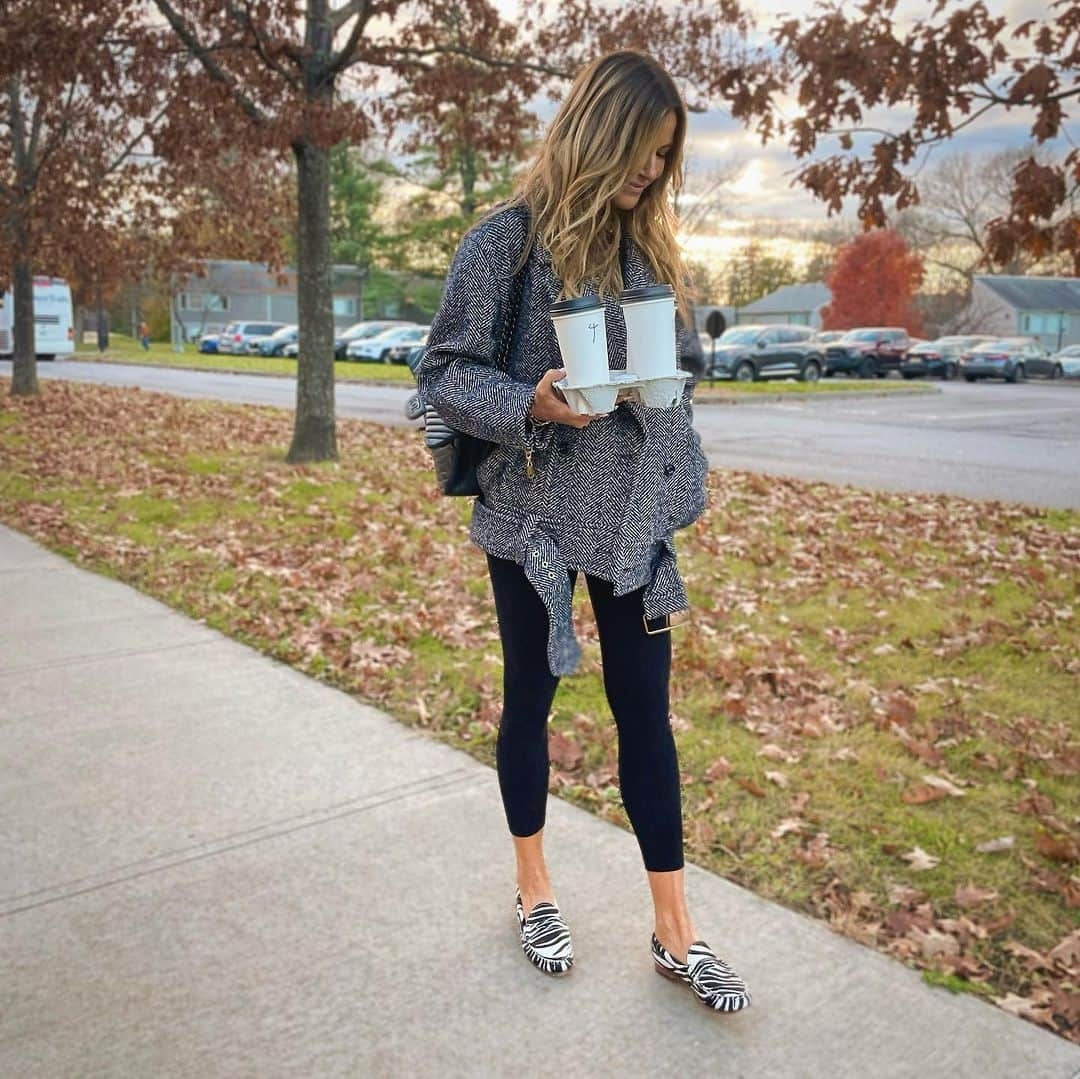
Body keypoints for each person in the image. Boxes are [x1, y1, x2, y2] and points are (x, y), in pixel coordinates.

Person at [416, 50, 751, 1013]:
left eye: (664, 157)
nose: (650, 173)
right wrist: (534, 400)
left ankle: (674, 931)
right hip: (532, 520)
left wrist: (670, 385)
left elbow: (673, 371)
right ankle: (533, 888)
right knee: (531, 698)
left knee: (645, 710)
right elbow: (442, 373)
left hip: (634, 520)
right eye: (641, 151)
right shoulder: (503, 245)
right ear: (597, 132)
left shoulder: (648, 254)